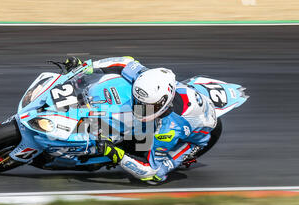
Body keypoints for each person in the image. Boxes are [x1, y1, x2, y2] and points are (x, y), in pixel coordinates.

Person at [65, 56, 217, 185]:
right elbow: (125, 62)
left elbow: (150, 172)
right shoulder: (146, 80)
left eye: (145, 106)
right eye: (138, 102)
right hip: (185, 100)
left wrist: (113, 152)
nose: (139, 107)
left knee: (155, 176)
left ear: (162, 104)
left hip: (194, 136)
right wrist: (84, 68)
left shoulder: (167, 131)